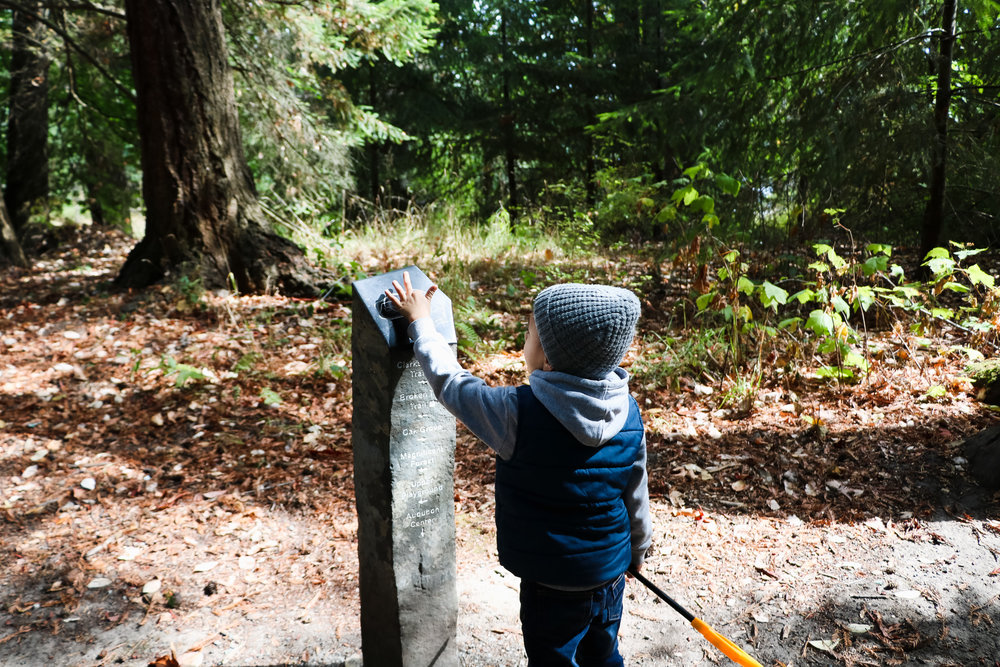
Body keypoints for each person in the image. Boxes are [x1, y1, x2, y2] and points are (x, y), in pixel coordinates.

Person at [385, 272, 651, 667]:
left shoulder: (515, 413)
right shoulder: (629, 413)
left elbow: (451, 384)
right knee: (604, 656)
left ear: (544, 354)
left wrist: (420, 323)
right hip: (608, 574)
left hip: (550, 585)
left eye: (528, 333)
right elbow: (636, 494)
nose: (524, 341)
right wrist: (638, 550)